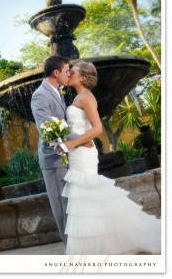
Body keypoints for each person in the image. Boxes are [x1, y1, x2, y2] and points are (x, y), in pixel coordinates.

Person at [60, 60, 161, 255]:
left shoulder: (87, 97)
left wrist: (72, 143)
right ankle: (96, 244)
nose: (69, 72)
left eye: (72, 70)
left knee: (87, 193)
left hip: (82, 153)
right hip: (77, 153)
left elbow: (97, 128)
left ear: (82, 77)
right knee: (87, 197)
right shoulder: (78, 97)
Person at [31, 56, 92, 246]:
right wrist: (79, 140)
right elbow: (47, 128)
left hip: (65, 155)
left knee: (71, 203)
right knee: (62, 205)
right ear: (56, 73)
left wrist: (78, 142)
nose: (69, 74)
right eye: (67, 71)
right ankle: (71, 250)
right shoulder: (40, 95)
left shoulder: (57, 91)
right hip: (53, 159)